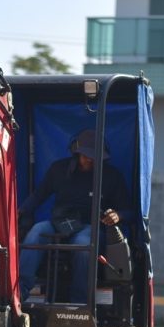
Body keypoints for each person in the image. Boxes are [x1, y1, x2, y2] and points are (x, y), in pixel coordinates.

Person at [18, 129, 130, 303]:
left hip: (90, 225)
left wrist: (118, 215)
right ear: (75, 152)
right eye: (85, 155)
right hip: (60, 222)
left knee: (83, 245)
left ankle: (79, 303)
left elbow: (128, 210)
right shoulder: (58, 170)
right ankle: (20, 292)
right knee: (36, 232)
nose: (89, 159)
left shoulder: (112, 177)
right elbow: (39, 195)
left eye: (94, 156)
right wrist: (22, 210)